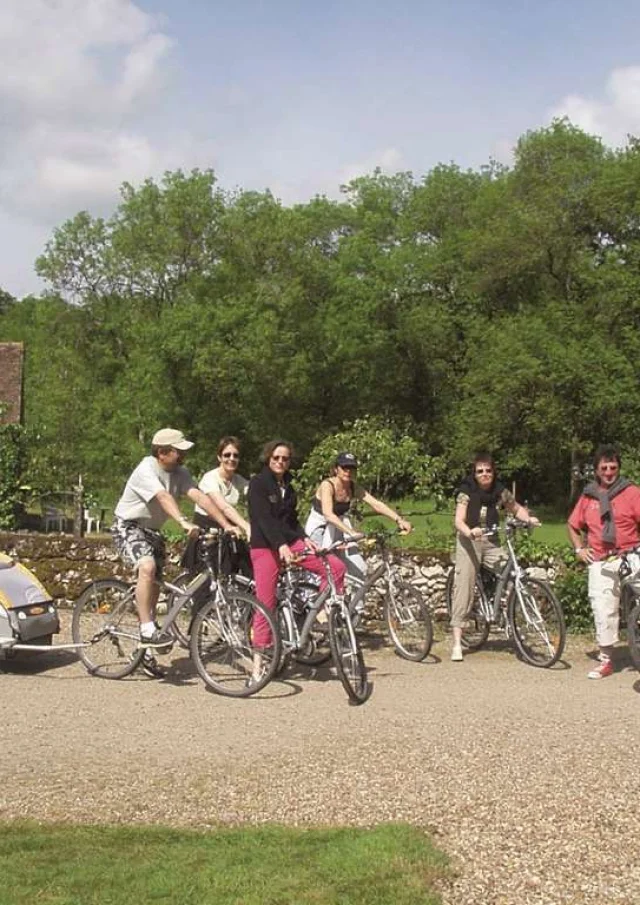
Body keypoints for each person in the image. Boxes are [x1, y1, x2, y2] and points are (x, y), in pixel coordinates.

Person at [112, 428, 241, 678]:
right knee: (147, 568)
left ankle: (145, 649)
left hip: (152, 531)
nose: (183, 455)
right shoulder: (146, 469)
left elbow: (200, 498)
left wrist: (226, 525)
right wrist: (182, 521)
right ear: (162, 453)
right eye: (178, 451)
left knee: (155, 586)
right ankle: (147, 629)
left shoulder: (181, 472)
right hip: (128, 526)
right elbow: (162, 496)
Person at [247, 439, 347, 684]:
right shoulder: (259, 484)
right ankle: (258, 666)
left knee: (334, 566)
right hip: (265, 546)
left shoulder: (288, 485)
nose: (280, 462)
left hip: (291, 542)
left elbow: (291, 519)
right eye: (276, 458)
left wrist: (305, 538)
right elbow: (263, 519)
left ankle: (322, 615)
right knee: (266, 603)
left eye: (285, 458)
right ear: (268, 458)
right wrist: (280, 545)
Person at [451, 452, 539, 663]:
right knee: (464, 587)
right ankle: (457, 643)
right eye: (480, 471)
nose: (484, 474)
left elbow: (515, 508)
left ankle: (510, 619)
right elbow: (458, 520)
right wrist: (469, 531)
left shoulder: (499, 490)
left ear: (493, 472)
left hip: (491, 542)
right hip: (469, 542)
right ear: (474, 474)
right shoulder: (466, 491)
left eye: (488, 470)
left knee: (513, 574)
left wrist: (529, 519)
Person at [567, 444, 640, 679]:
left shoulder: (632, 493)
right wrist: (579, 549)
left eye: (613, 467)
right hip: (601, 559)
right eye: (604, 468)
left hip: (630, 554)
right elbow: (573, 525)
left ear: (619, 468)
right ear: (597, 470)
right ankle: (606, 660)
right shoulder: (588, 496)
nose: (609, 472)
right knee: (603, 609)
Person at [304, 451, 412, 590]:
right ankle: (315, 600)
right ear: (336, 469)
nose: (348, 471)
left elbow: (376, 504)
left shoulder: (353, 487)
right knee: (323, 570)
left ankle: (355, 603)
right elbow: (328, 514)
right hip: (320, 528)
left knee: (359, 570)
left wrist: (399, 520)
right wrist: (351, 532)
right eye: (344, 467)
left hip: (339, 527)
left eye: (351, 468)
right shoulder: (327, 485)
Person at [187, 436, 251, 577]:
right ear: (219, 457)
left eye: (235, 455)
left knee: (247, 570)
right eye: (227, 455)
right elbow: (223, 506)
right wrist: (246, 526)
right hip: (207, 533)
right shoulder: (210, 478)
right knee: (209, 579)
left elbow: (255, 494)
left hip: (227, 531)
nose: (231, 459)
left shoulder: (238, 480)